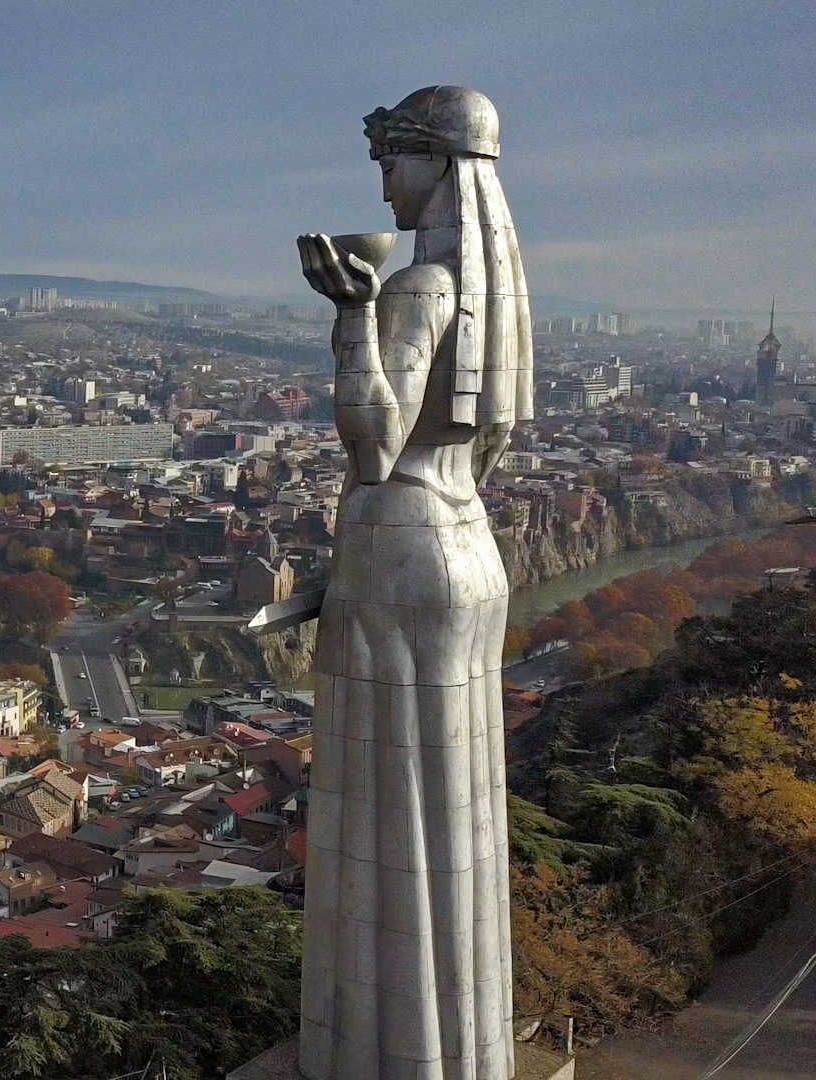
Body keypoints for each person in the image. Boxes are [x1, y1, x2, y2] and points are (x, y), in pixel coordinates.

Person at [296, 85, 532, 1080]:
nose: (385, 186)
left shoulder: (417, 288)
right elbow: (491, 442)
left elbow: (373, 441)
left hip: (399, 548)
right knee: (456, 794)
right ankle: (461, 1053)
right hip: (467, 544)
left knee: (387, 803)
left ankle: (393, 1059)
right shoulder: (497, 294)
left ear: (435, 163)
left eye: (392, 162)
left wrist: (351, 315)